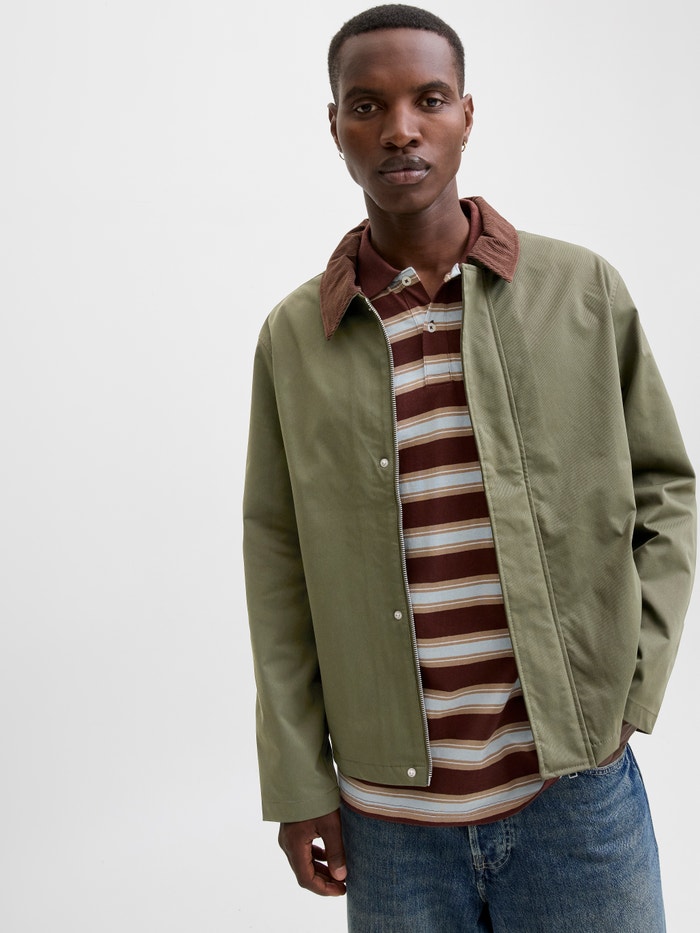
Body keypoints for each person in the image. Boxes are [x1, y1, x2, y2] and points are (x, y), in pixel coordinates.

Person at [243, 5, 696, 930]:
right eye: (366, 105)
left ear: (467, 114)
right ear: (334, 125)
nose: (399, 129)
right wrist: (297, 779)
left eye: (429, 99)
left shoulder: (581, 291)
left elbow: (668, 493)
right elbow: (277, 564)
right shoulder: (295, 338)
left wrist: (631, 685)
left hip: (575, 797)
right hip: (391, 826)